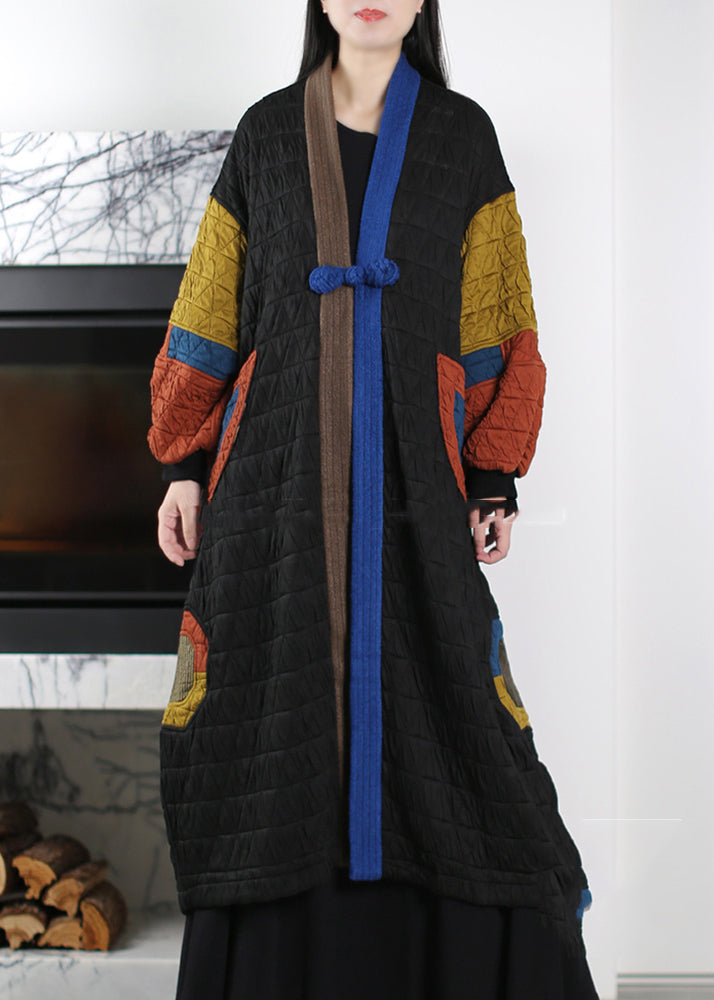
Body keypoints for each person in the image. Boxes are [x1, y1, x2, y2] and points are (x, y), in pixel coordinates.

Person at [147, 1, 600, 997]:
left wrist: (492, 472)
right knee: (265, 717)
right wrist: (183, 464)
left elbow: (498, 315)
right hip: (270, 490)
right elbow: (211, 306)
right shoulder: (267, 134)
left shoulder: (461, 138)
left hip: (418, 489)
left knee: (463, 716)